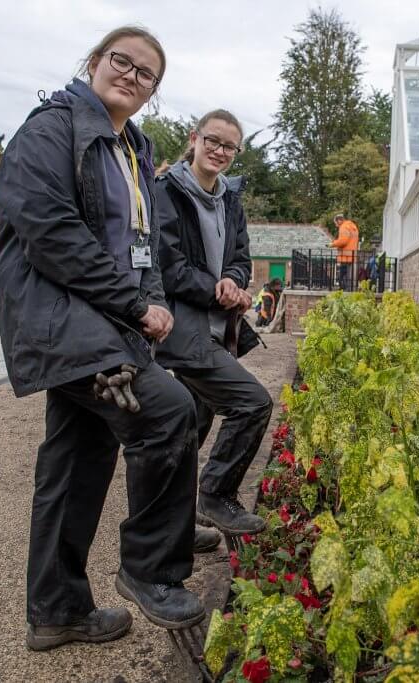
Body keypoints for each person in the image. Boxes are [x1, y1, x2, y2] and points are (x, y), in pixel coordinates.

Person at [0, 25, 212, 650]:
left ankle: (57, 610)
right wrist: (135, 305)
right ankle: (151, 570)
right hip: (63, 318)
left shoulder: (134, 151)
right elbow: (51, 233)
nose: (133, 77)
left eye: (148, 75)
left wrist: (158, 300)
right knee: (170, 412)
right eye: (123, 61)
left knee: (76, 460)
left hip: (103, 322)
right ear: (93, 62)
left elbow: (150, 247)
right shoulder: (51, 129)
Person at [154, 109, 273, 537]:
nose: (219, 151)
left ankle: (175, 528)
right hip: (185, 329)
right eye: (213, 141)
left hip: (219, 329)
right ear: (194, 138)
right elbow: (167, 264)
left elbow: (241, 259)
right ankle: (215, 495)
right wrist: (215, 289)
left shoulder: (229, 198)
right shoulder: (166, 192)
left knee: (190, 431)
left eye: (229, 146)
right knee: (252, 403)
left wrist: (235, 283)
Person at [331, 213, 360, 291]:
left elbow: (343, 241)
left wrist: (333, 244)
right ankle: (350, 288)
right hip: (352, 254)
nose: (336, 225)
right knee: (349, 276)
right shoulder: (353, 226)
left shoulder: (343, 227)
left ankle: (342, 289)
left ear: (339, 220)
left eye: (336, 223)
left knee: (342, 275)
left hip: (345, 256)